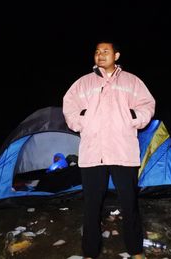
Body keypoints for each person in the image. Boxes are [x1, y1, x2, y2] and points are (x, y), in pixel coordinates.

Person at [62, 39, 155, 259]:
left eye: (106, 51)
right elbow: (69, 106)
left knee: (129, 204)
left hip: (123, 151)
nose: (100, 55)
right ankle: (90, 252)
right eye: (97, 51)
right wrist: (80, 122)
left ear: (117, 56)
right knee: (92, 207)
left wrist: (134, 118)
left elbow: (147, 104)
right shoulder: (83, 83)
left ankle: (136, 251)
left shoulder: (131, 82)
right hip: (93, 152)